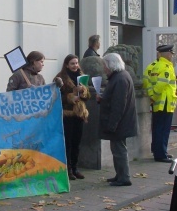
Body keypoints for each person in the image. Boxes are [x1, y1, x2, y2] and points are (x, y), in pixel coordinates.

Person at [98, 53, 137, 187]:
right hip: (122, 121)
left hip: (119, 122)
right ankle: (119, 175)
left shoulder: (120, 79)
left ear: (110, 65)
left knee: (119, 150)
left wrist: (112, 124)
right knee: (117, 149)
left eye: (105, 65)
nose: (104, 68)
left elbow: (118, 104)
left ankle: (124, 177)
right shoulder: (120, 76)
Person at [55, 54, 90, 180]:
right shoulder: (60, 78)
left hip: (79, 114)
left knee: (77, 142)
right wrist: (70, 97)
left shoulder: (82, 76)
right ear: (66, 65)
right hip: (67, 114)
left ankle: (75, 168)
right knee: (68, 143)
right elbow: (56, 96)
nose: (75, 66)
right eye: (72, 63)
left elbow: (87, 97)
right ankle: (67, 169)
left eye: (76, 63)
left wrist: (84, 91)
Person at [150, 44, 177, 163]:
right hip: (165, 102)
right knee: (163, 129)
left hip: (159, 102)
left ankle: (159, 151)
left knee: (157, 128)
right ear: (167, 54)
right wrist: (155, 96)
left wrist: (152, 96)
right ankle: (161, 154)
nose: (172, 56)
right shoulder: (166, 67)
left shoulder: (156, 66)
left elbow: (150, 82)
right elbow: (161, 85)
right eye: (171, 53)